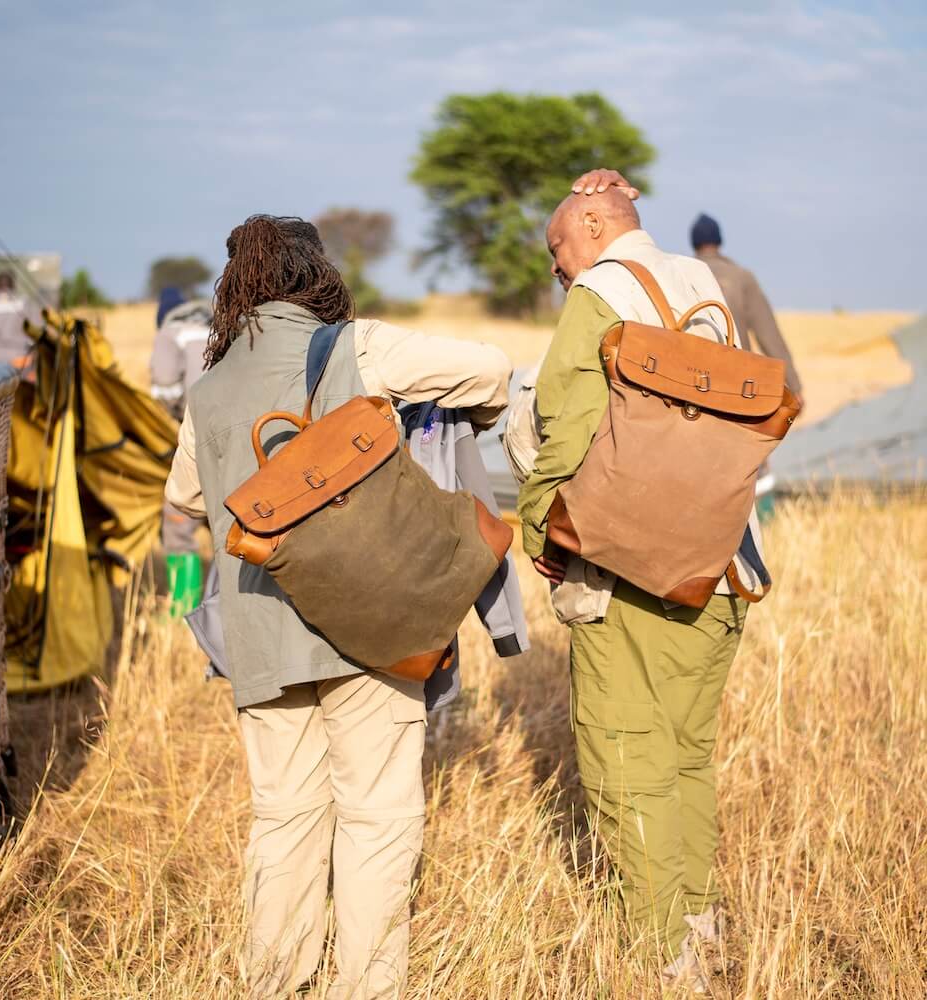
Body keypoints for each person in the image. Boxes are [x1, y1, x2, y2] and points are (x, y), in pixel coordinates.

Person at [164, 214, 512, 999]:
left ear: (237, 287)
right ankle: (368, 986)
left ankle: (275, 983)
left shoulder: (210, 387)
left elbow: (183, 497)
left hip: (259, 636)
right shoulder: (356, 346)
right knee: (376, 818)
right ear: (315, 274)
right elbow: (491, 369)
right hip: (370, 628)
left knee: (283, 821)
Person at [518, 186, 760, 993]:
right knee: (687, 757)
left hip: (634, 571)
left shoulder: (601, 293)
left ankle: (666, 962)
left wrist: (538, 535)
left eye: (557, 251)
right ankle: (701, 926)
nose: (557, 272)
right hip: (724, 565)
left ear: (592, 228)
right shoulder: (702, 283)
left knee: (627, 760)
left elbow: (568, 427)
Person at [690, 213, 802, 398]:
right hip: (739, 383)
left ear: (694, 243)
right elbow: (768, 335)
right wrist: (794, 387)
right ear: (719, 241)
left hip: (691, 382)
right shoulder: (741, 277)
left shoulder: (682, 274)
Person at [150, 286, 213, 613]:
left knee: (178, 524)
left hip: (195, 436)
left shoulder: (168, 333)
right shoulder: (218, 326)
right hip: (236, 438)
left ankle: (183, 608)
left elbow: (163, 386)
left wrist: (173, 415)